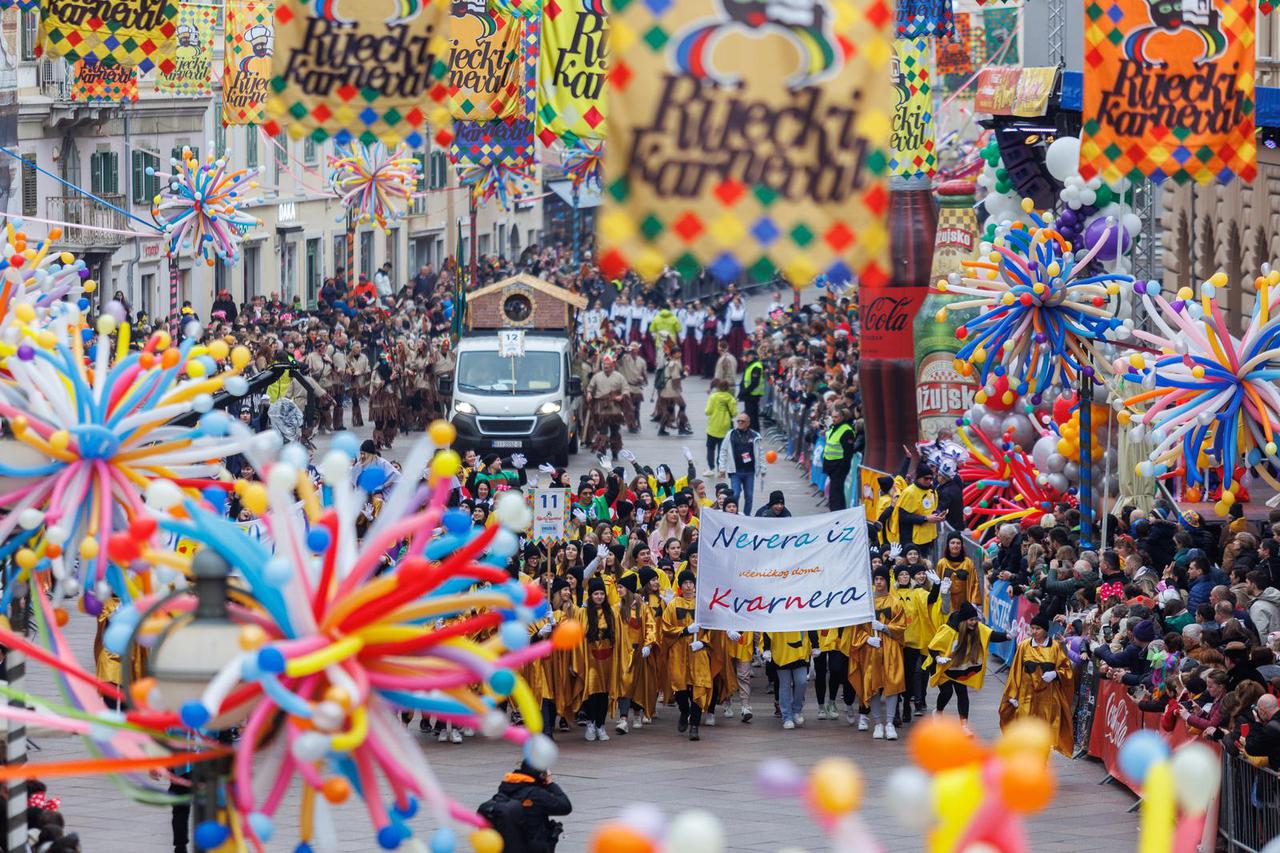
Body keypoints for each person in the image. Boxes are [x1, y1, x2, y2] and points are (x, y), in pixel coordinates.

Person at [998, 614, 1075, 756]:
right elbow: (1015, 671)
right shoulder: (1023, 646)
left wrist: (1055, 674)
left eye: (1037, 628)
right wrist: (1012, 694)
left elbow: (1067, 669)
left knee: (1044, 731)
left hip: (1047, 698)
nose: (1034, 631)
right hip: (1025, 696)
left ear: (1045, 630)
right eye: (1032, 628)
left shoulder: (1055, 647)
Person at [928, 602, 1012, 733]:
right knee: (947, 692)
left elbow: (991, 635)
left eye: (976, 619)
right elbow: (932, 647)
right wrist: (938, 658)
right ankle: (938, 712)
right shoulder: (948, 630)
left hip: (960, 668)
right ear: (963, 620)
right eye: (971, 620)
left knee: (962, 693)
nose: (974, 622)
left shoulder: (977, 629)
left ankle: (964, 725)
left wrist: (1007, 636)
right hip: (942, 666)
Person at [852, 566, 907, 739]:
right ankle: (877, 723)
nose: (878, 582)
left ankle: (890, 723)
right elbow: (857, 629)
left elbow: (901, 626)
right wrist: (867, 639)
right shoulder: (866, 603)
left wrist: (884, 627)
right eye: (876, 579)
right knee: (873, 685)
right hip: (872, 648)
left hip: (891, 648)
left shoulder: (896, 602)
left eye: (881, 579)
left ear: (887, 581)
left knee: (892, 684)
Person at [663, 571, 712, 741]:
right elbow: (666, 628)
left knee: (698, 685)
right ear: (681, 585)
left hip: (697, 652)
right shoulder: (673, 604)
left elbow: (711, 628)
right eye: (685, 583)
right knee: (680, 688)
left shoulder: (702, 605)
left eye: (691, 583)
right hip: (679, 651)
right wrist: (685, 630)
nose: (689, 586)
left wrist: (703, 642)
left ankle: (694, 726)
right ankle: (684, 710)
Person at [481, 761, 572, 853]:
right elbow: (565, 806)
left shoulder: (507, 787)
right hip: (532, 846)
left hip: (507, 845)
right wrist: (550, 783)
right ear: (542, 775)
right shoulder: (537, 794)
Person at [887, 465, 944, 559]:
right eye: (926, 478)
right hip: (912, 538)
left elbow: (933, 507)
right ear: (918, 478)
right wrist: (925, 518)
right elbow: (902, 516)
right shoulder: (909, 493)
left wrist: (938, 514)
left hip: (928, 537)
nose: (929, 481)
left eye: (931, 478)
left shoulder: (932, 490)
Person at [764, 630, 816, 730]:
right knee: (784, 685)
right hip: (781, 651)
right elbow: (768, 624)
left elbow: (810, 622)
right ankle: (787, 717)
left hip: (801, 652)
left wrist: (815, 645)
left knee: (802, 682)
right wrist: (766, 648)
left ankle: (797, 710)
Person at [717, 412, 761, 515]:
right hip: (735, 471)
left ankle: (746, 516)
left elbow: (760, 452)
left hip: (749, 471)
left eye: (743, 421)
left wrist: (762, 468)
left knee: (749, 496)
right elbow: (723, 451)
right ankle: (734, 515)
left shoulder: (755, 435)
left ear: (748, 423)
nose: (740, 423)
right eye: (738, 421)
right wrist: (722, 467)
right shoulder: (731, 434)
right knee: (735, 494)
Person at [586, 355, 629, 456]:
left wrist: (622, 396)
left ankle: (615, 451)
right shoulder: (597, 377)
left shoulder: (619, 377)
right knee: (602, 431)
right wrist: (589, 394)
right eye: (604, 366)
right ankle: (602, 451)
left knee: (615, 431)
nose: (606, 367)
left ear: (612, 366)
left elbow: (626, 389)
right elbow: (590, 388)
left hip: (615, 409)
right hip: (601, 409)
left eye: (608, 366)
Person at [822, 407, 861, 511]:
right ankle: (836, 512)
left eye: (836, 417)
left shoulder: (846, 431)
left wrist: (840, 468)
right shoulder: (833, 427)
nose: (834, 419)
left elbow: (848, 453)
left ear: (842, 417)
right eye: (833, 417)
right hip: (831, 466)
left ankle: (836, 513)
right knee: (835, 492)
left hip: (838, 467)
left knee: (836, 493)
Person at [704, 380, 737, 474]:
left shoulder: (713, 397)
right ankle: (720, 468)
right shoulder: (731, 398)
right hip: (725, 428)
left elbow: (708, 411)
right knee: (722, 449)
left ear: (718, 387)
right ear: (728, 388)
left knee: (710, 448)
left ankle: (711, 468)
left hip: (713, 427)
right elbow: (734, 413)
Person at [739, 347, 765, 430]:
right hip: (749, 395)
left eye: (745, 356)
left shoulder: (756, 366)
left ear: (750, 356)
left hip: (752, 395)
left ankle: (753, 432)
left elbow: (754, 383)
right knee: (750, 415)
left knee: (752, 416)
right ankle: (753, 431)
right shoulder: (750, 365)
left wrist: (744, 392)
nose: (744, 358)